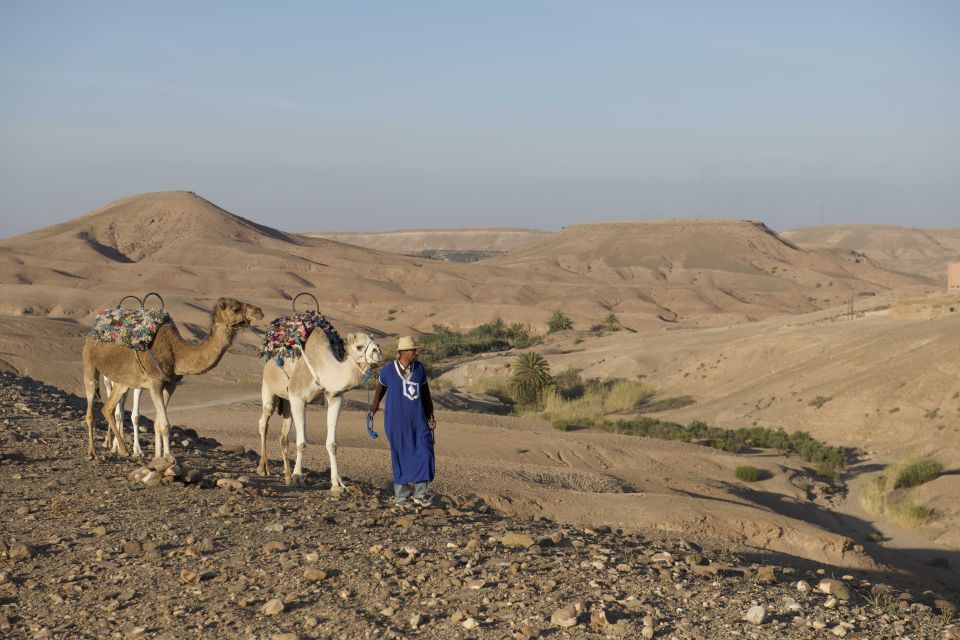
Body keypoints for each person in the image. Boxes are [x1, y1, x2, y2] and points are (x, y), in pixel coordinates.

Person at [369, 335, 437, 508]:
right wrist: (372, 411)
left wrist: (430, 415)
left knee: (425, 452)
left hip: (418, 420)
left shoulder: (420, 369)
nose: (416, 353)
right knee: (400, 455)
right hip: (396, 422)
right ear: (404, 353)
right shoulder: (387, 371)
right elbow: (379, 392)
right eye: (413, 350)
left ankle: (420, 494)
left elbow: (426, 394)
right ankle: (401, 497)